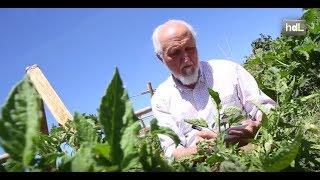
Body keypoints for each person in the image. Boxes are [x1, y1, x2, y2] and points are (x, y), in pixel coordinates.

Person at [150, 19, 276, 159]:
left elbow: (267, 108)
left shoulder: (229, 70)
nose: (186, 58)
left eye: (190, 48)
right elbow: (171, 153)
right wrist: (202, 150)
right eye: (175, 52)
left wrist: (256, 125)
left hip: (253, 154)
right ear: (160, 57)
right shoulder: (161, 100)